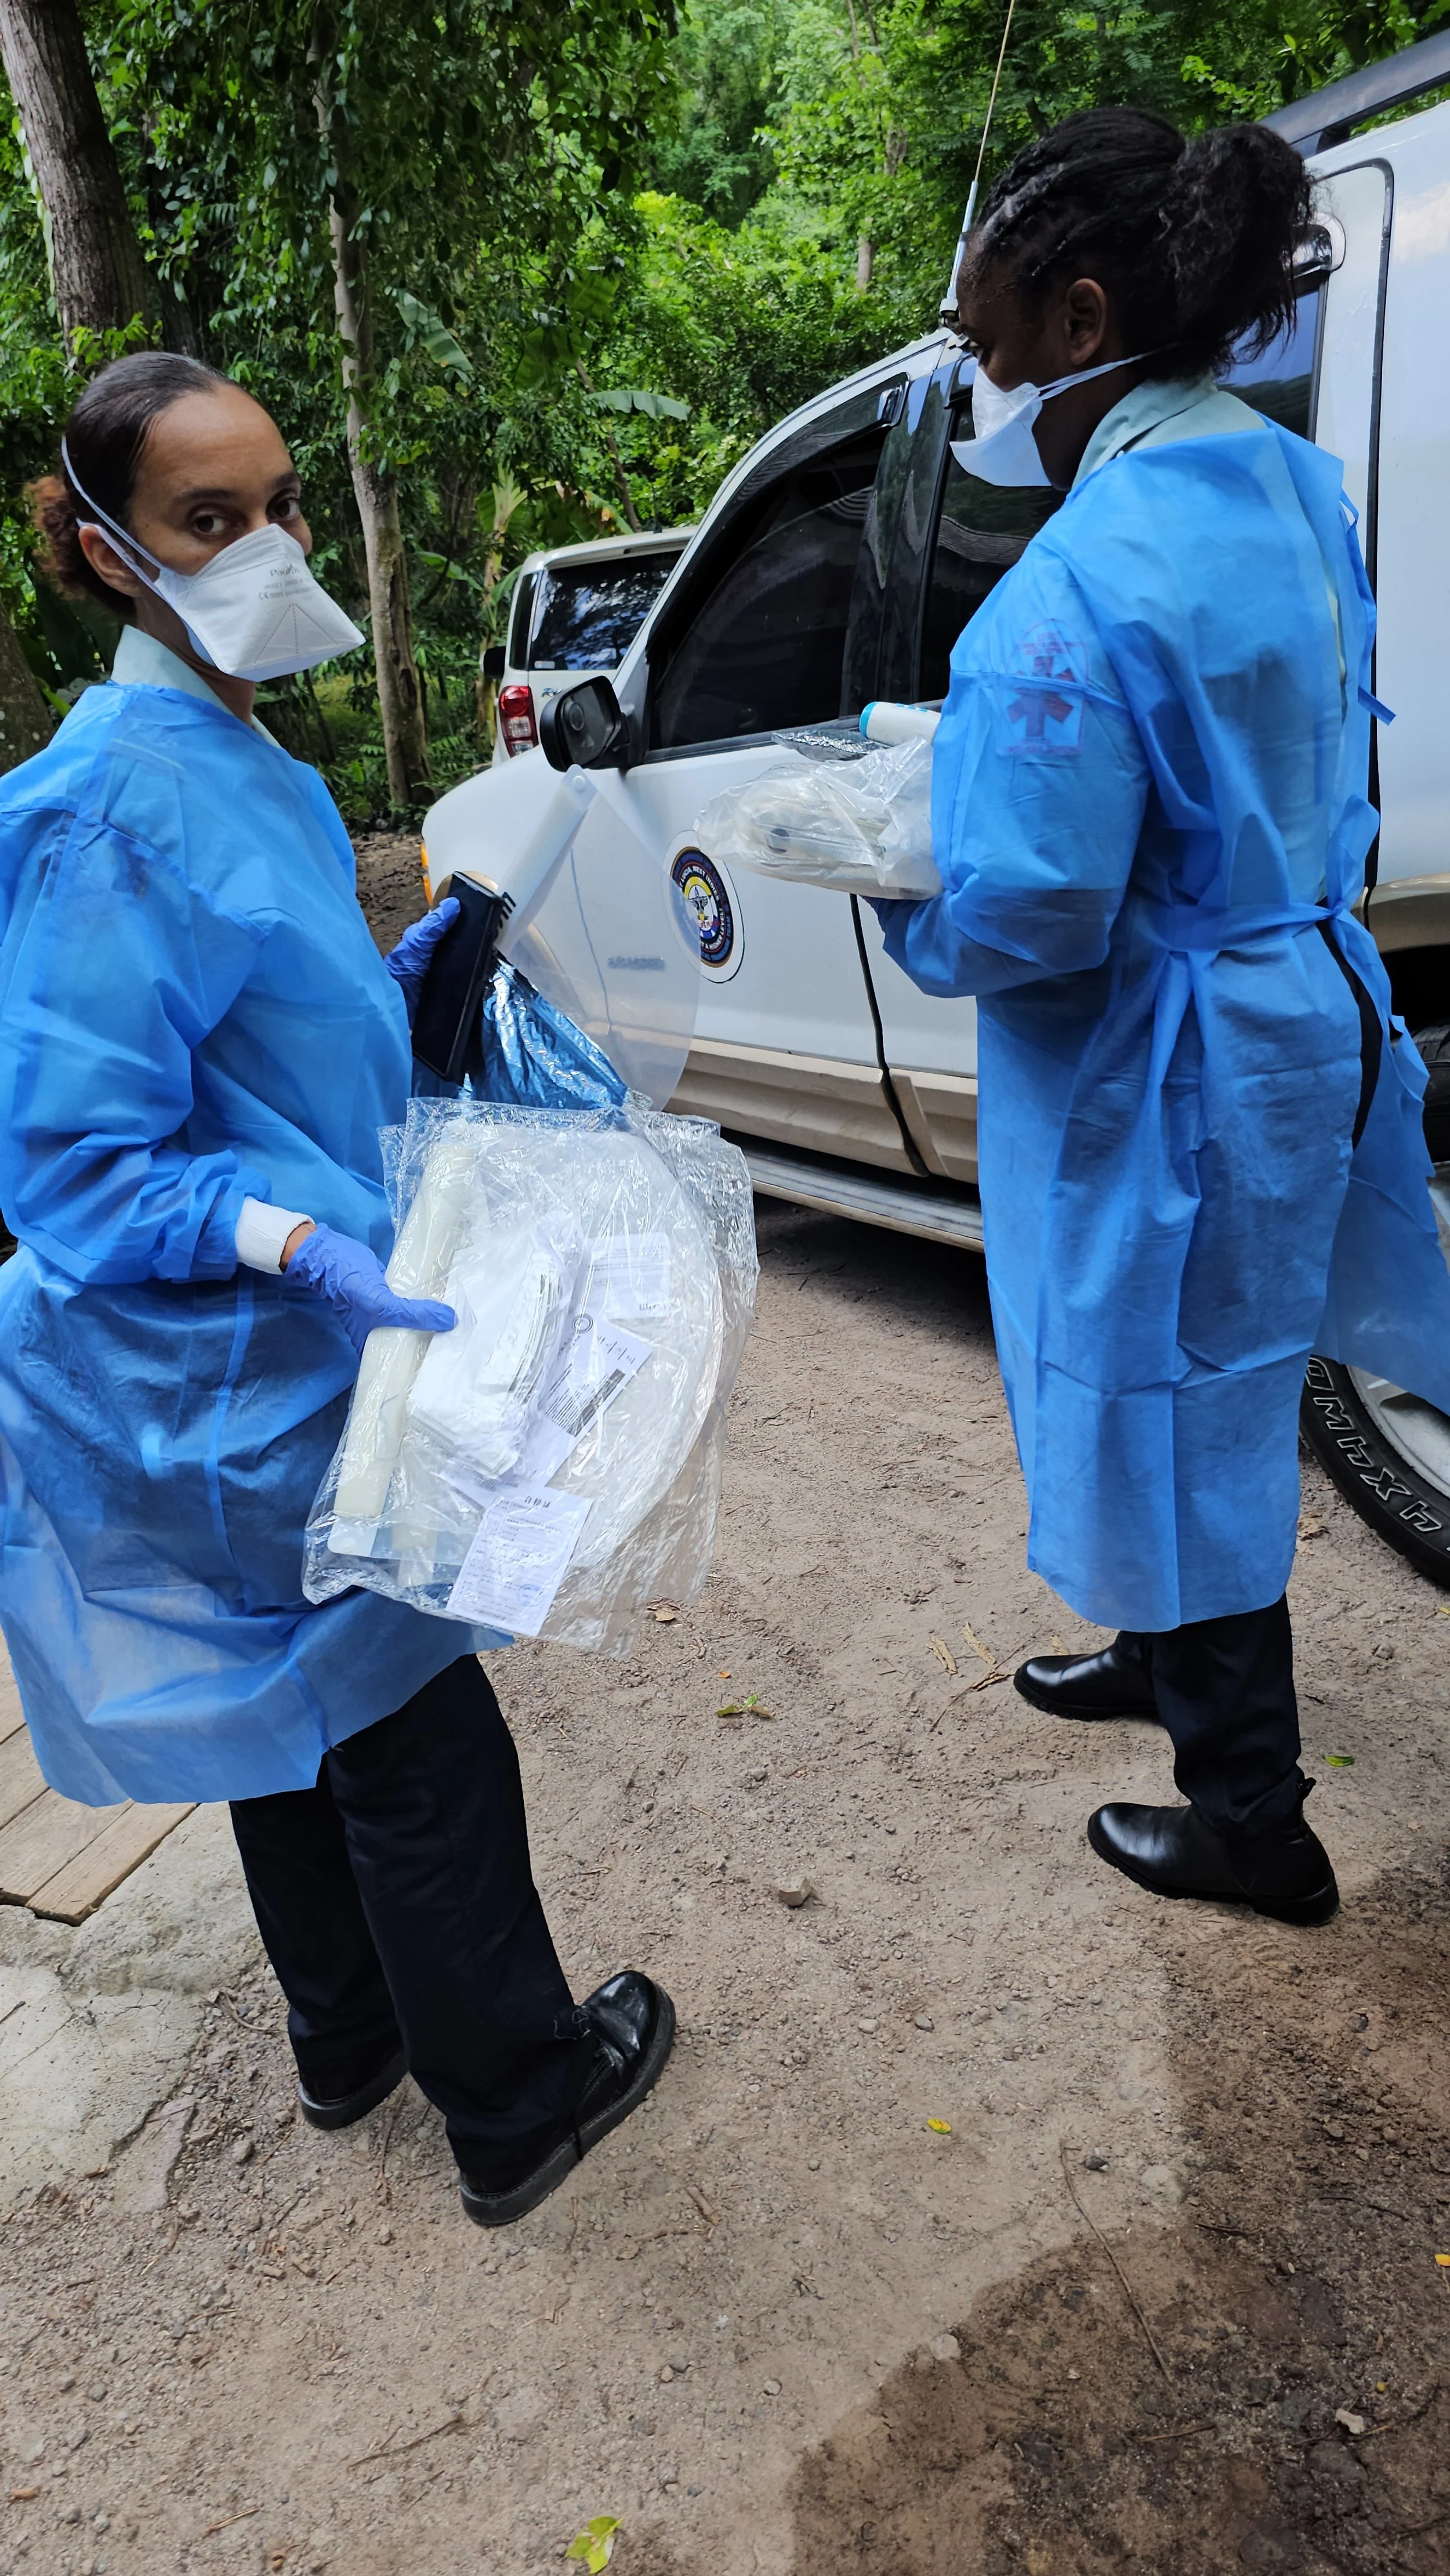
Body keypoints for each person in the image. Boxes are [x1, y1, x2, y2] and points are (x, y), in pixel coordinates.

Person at [0, 352, 673, 2223]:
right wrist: (291, 1239)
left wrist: (405, 987)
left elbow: (252, 1046)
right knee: (406, 1728)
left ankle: (346, 2034)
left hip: (283, 1351)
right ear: (102, 552)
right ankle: (518, 2096)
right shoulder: (102, 808)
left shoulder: (242, 763)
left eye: (282, 502)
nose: (274, 548)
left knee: (289, 1717)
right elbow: (73, 1164)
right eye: (210, 520)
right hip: (228, 1361)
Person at [876, 110, 1450, 1926]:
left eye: (980, 340)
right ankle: (1155, 1637)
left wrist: (904, 899)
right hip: (1289, 993)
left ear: (1078, 317)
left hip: (1162, 1056)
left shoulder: (1067, 587)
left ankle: (1250, 1821)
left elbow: (1033, 909)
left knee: (1177, 1388)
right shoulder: (1277, 483)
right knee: (1187, 1369)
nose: (974, 377)